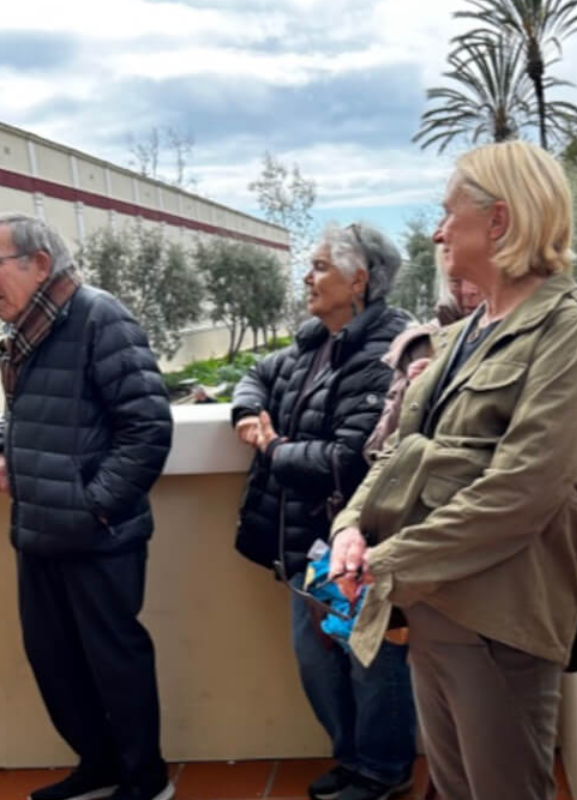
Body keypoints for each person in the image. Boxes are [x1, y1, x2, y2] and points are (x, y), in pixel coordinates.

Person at [330, 140, 577, 800]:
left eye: (447, 212)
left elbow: (523, 490)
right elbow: (401, 453)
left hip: (500, 617)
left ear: (500, 220)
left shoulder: (570, 327)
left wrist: (387, 560)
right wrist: (352, 526)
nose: (436, 231)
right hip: (432, 603)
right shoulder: (463, 334)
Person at [0, 213, 173, 800]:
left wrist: (94, 508)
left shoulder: (99, 316)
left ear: (38, 263)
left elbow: (147, 429)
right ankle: (102, 765)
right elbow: (21, 413)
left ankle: (146, 780)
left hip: (97, 534)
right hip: (38, 531)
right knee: (55, 664)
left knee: (115, 663)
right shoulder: (33, 329)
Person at [231, 222, 417, 800]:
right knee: (320, 664)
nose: (307, 278)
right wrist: (248, 410)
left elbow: (349, 458)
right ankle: (353, 759)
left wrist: (272, 448)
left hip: (348, 544)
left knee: (367, 661)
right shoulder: (316, 338)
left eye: (319, 267)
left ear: (358, 279)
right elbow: (257, 374)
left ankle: (384, 771)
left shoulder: (391, 347)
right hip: (305, 545)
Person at [363, 268, 482, 461]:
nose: (468, 291)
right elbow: (377, 449)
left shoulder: (531, 336)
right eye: (455, 281)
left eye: (479, 277)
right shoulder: (420, 344)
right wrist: (411, 393)